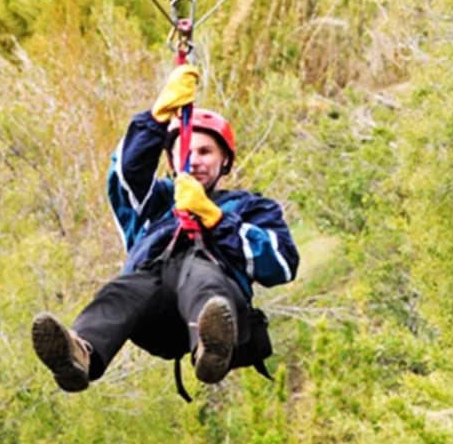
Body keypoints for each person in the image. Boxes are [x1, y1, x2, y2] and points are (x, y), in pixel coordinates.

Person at [32, 63, 299, 395]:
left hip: (213, 301)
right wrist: (158, 116)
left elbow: (282, 263)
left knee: (202, 274)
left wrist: (214, 217)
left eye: (206, 152)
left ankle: (210, 345)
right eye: (187, 152)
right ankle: (80, 354)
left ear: (225, 161)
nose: (196, 160)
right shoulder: (156, 204)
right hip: (155, 309)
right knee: (123, 289)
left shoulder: (250, 208)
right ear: (172, 161)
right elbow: (126, 175)